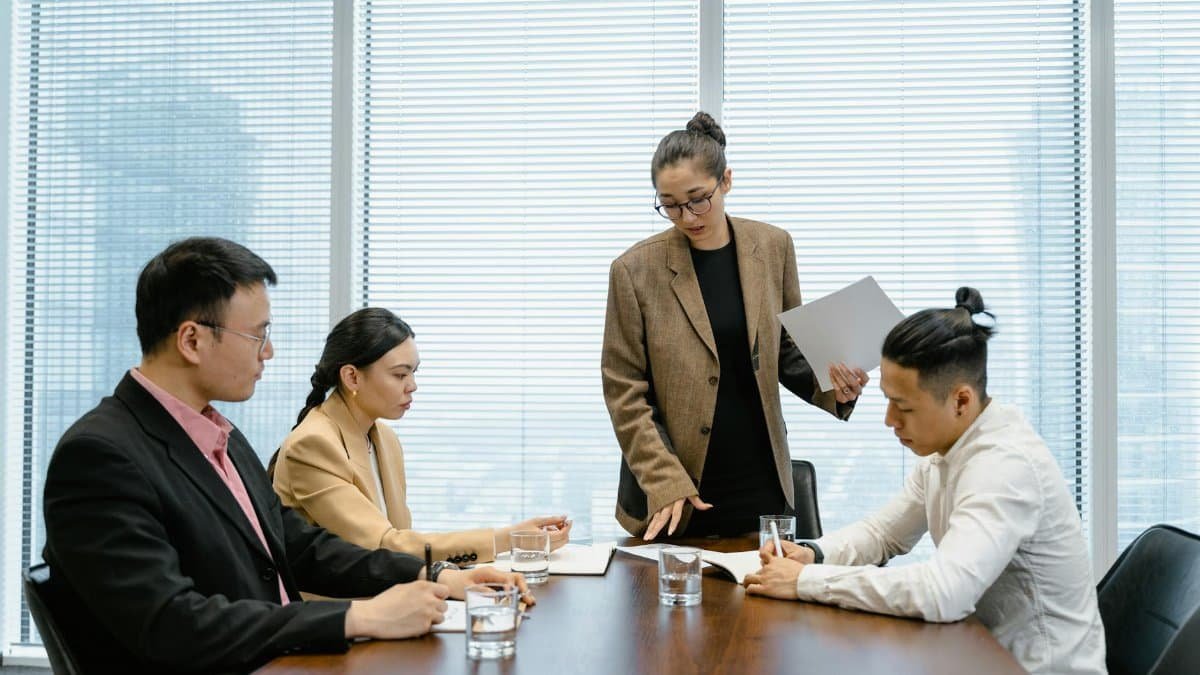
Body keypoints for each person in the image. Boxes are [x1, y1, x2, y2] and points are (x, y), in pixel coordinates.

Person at [41, 238, 529, 674]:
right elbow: (172, 623)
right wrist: (357, 617)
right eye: (257, 335)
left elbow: (299, 548)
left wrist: (438, 576)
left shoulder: (219, 435)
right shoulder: (101, 456)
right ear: (192, 340)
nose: (269, 352)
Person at [744, 287, 1106, 675]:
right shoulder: (950, 446)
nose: (889, 420)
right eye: (887, 399)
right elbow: (884, 533)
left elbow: (942, 593)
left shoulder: (1004, 467)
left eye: (904, 406)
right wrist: (814, 553)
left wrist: (807, 581)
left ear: (961, 401)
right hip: (977, 653)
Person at [602, 111, 869, 540]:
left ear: (725, 180)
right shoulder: (634, 270)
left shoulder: (773, 246)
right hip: (675, 489)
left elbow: (785, 349)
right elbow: (623, 388)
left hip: (759, 478)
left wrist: (833, 386)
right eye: (669, 206)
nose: (687, 216)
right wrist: (664, 479)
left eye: (697, 198)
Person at [271, 307, 572, 564]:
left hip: (387, 599)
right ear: (352, 376)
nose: (412, 385)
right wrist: (509, 539)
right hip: (340, 616)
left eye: (414, 373)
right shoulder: (313, 444)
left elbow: (402, 543)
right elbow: (384, 547)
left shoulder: (384, 439)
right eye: (400, 375)